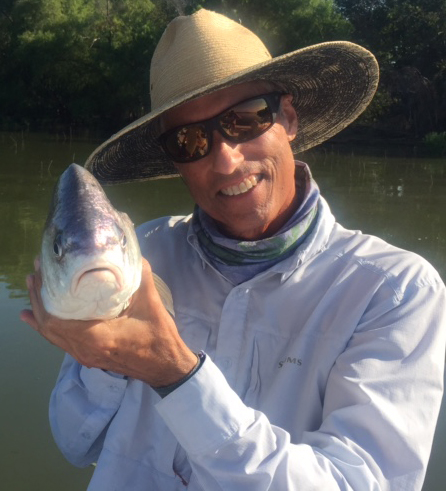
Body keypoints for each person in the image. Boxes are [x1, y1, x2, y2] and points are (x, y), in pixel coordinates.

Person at [20, 9, 446, 491]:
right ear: (174, 160)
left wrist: (174, 374)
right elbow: (76, 444)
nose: (224, 159)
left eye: (245, 120)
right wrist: (102, 360)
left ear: (287, 117)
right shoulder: (135, 259)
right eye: (190, 140)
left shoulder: (393, 292)